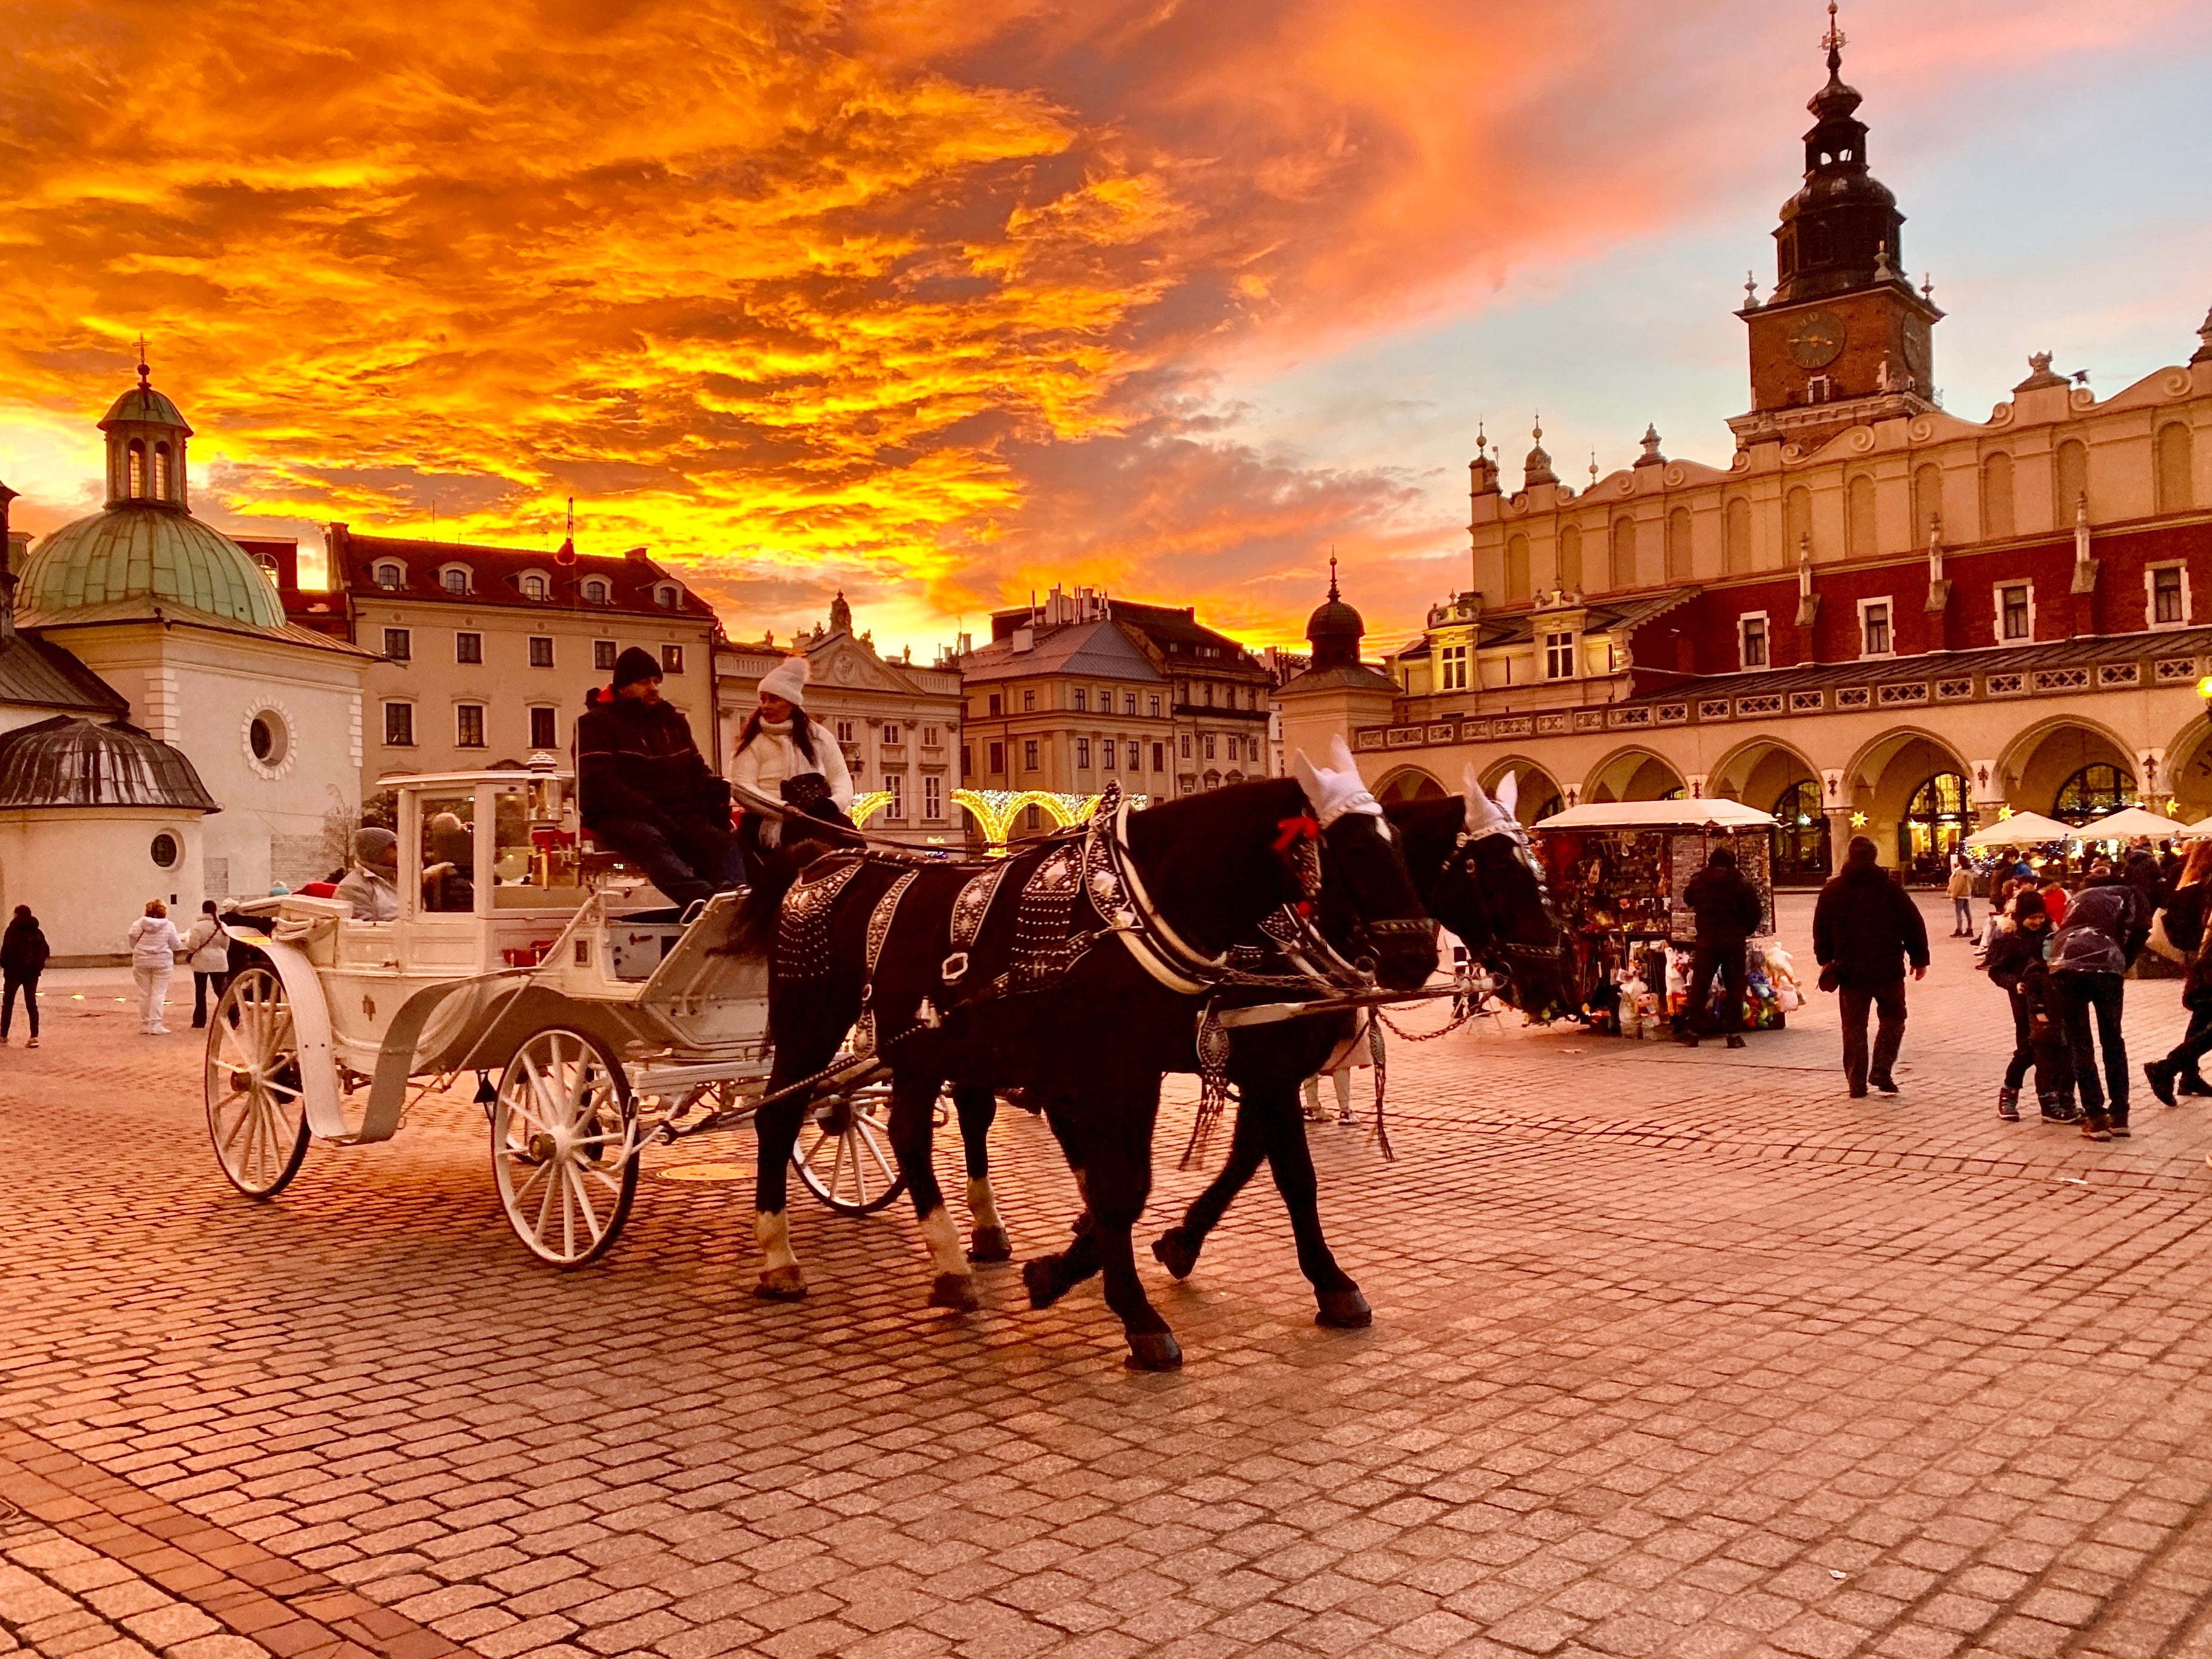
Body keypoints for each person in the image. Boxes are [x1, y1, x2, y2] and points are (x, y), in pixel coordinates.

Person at [578, 647, 742, 908]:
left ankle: (734, 900)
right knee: (651, 840)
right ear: (623, 687)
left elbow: (696, 768)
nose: (653, 687)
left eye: (656, 681)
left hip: (675, 812)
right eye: (643, 682)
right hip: (618, 815)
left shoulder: (673, 722)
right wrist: (652, 812)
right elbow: (600, 784)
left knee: (722, 842)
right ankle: (703, 902)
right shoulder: (596, 723)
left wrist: (713, 790)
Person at [1813, 837, 1929, 1098]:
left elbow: (1820, 928)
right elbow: (1913, 924)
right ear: (1874, 857)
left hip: (1849, 970)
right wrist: (1919, 958)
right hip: (1887, 968)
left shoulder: (1833, 891)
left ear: (1849, 856)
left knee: (1853, 1026)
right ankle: (1881, 1069)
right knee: (1894, 1018)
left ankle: (1857, 1083)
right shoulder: (1890, 889)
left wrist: (1825, 959)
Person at [2048, 858, 2152, 1140]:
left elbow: (2063, 930)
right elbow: (2142, 928)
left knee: (2080, 1043)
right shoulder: (2129, 893)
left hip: (2064, 964)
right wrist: (2124, 960)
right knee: (2113, 1039)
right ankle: (2120, 1115)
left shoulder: (2078, 897)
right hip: (2106, 965)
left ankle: (2095, 1117)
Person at [728, 655, 855, 843]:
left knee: (849, 834)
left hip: (814, 816)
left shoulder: (820, 737)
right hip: (766, 820)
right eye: (763, 699)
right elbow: (741, 787)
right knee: (813, 840)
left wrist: (833, 804)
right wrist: (783, 808)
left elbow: (840, 778)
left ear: (791, 702)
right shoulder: (751, 740)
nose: (766, 706)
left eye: (774, 699)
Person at [1984, 889, 2072, 1122]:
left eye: (2040, 917)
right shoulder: (2011, 940)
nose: (2036, 922)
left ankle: (2055, 1098)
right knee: (2028, 1050)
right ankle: (2009, 1092)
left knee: (2054, 1049)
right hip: (2025, 1004)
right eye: (2031, 917)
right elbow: (1997, 971)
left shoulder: (2051, 937)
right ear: (2020, 916)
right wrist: (2015, 985)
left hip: (2052, 1001)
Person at [1677, 846, 1764, 1049]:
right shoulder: (1742, 883)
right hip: (1733, 942)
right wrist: (1744, 930)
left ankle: (1693, 1032)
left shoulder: (1698, 881)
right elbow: (1755, 912)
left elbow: (1687, 898)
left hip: (1707, 941)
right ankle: (1733, 1034)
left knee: (1700, 987)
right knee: (1735, 988)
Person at [2146, 840, 2212, 1106]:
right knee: (2204, 1022)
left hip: (2199, 961)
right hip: (2209, 961)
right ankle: (2166, 1068)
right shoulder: (2208, 886)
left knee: (2202, 1020)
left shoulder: (2189, 886)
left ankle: (2186, 1075)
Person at [127, 900, 184, 1036]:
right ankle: (156, 1024)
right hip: (162, 963)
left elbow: (132, 944)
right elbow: (176, 945)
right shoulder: (169, 926)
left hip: (141, 962)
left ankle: (145, 1025)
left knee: (144, 993)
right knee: (158, 993)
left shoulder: (137, 925)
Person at [1, 904, 50, 1048]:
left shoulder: (12, 931)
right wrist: (37, 967)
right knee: (31, 1004)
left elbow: (5, 952)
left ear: (16, 915)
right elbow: (45, 951)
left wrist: (6, 966)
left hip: (13, 974)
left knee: (8, 1004)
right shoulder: (37, 932)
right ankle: (34, 1036)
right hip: (32, 974)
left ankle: (3, 1035)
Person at [333, 827, 400, 920]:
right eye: (393, 847)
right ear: (377, 851)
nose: (399, 852)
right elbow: (366, 929)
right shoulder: (351, 888)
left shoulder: (398, 878)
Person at [182, 899, 231, 1027]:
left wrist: (187, 942)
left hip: (201, 961)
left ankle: (199, 1021)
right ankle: (232, 1015)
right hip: (219, 961)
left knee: (200, 992)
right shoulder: (223, 926)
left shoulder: (197, 927)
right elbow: (226, 945)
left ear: (203, 910)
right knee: (221, 991)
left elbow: (193, 946)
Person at [1946, 853, 1975, 938]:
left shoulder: (1960, 873)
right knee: (1967, 912)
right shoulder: (1968, 872)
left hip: (1960, 895)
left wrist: (1953, 896)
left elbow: (1958, 885)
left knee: (1959, 913)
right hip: (1967, 894)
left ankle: (1959, 929)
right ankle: (1970, 929)